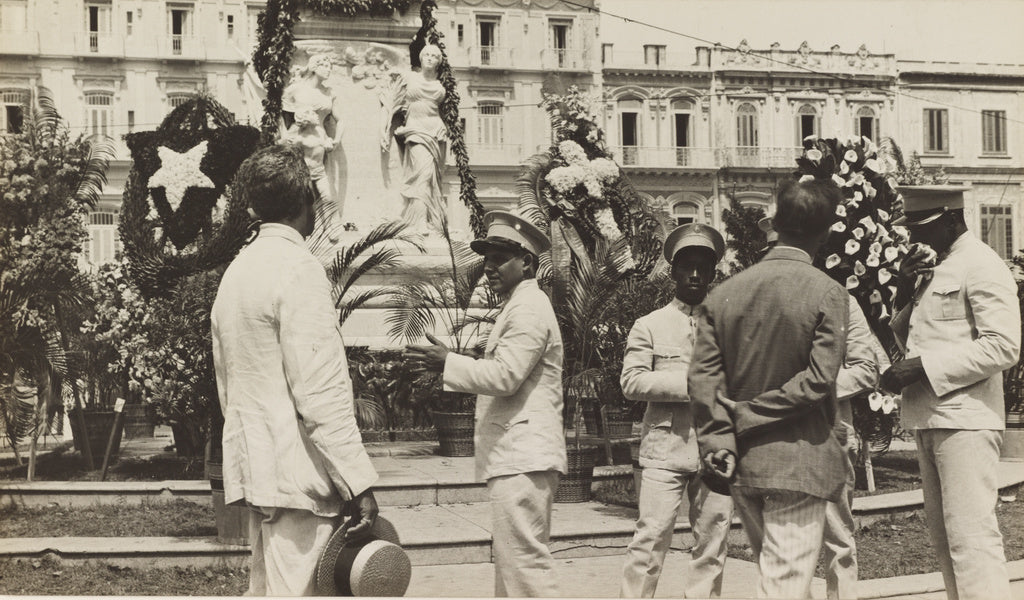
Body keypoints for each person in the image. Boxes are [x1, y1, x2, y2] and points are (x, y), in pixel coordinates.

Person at [211, 144, 379, 596]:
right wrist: (357, 480)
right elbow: (320, 393)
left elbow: (226, 382)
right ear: (306, 203)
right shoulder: (298, 269)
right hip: (300, 476)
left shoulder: (237, 272)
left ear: (253, 207)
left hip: (259, 469)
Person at [689, 179, 849, 599]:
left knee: (779, 578)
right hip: (801, 461)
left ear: (774, 225)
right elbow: (818, 380)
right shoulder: (827, 292)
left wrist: (719, 440)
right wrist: (749, 411)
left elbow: (704, 379)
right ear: (826, 232)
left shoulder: (724, 293)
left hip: (743, 464)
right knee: (784, 587)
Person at [404, 211, 567, 597]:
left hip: (523, 457)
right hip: (519, 456)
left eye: (500, 259)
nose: (489, 268)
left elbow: (505, 376)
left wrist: (449, 362)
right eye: (487, 259)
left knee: (526, 570)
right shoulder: (519, 305)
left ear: (527, 262)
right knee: (513, 572)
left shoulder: (528, 307)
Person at [881, 186, 1020, 600]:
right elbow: (919, 332)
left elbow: (1004, 346)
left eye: (922, 229)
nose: (915, 239)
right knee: (947, 542)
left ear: (950, 219)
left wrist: (921, 367)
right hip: (933, 417)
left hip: (966, 421)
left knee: (972, 541)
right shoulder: (941, 268)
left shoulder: (981, 265)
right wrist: (906, 290)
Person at [760, 215, 880, 599]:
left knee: (837, 540)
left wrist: (810, 392)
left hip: (828, 433)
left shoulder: (842, 302)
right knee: (778, 540)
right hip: (772, 437)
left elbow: (866, 368)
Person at [619, 223, 734, 599]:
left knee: (712, 542)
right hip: (665, 449)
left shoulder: (730, 326)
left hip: (717, 447)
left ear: (714, 273)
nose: (696, 274)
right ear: (673, 272)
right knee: (650, 539)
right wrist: (694, 384)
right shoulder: (649, 325)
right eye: (687, 266)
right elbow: (632, 382)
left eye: (704, 266)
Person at [381, 44, 449, 234]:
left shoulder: (439, 86)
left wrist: (443, 128)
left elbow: (435, 112)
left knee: (429, 178)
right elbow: (392, 90)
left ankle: (425, 219)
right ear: (420, 58)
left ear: (438, 62)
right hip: (415, 130)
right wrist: (385, 127)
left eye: (434, 56)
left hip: (435, 131)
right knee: (422, 174)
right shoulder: (411, 77)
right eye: (426, 54)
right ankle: (416, 220)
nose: (429, 58)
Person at [282, 53, 345, 231]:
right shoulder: (296, 89)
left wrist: (336, 140)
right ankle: (298, 227)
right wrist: (285, 135)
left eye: (331, 67)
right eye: (325, 66)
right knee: (299, 189)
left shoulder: (329, 93)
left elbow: (341, 120)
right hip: (297, 141)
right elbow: (281, 115)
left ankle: (332, 225)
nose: (329, 70)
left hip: (319, 141)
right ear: (314, 67)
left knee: (325, 191)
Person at [283, 107, 340, 242]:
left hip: (320, 172)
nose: (316, 117)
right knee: (304, 202)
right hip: (305, 173)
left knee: (328, 198)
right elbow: (291, 153)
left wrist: (329, 144)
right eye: (312, 115)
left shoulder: (320, 132)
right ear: (306, 120)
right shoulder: (299, 138)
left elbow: (327, 143)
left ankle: (331, 228)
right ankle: (299, 230)